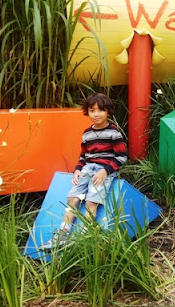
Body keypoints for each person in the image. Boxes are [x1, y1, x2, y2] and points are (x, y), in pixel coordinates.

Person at [41, 93, 127, 248]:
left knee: (91, 202)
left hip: (104, 169)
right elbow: (83, 156)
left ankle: (83, 236)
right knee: (72, 198)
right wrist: (78, 169)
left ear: (108, 112)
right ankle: (63, 234)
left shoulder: (113, 132)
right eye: (92, 110)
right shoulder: (87, 134)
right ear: (87, 112)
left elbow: (121, 157)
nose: (96, 114)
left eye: (101, 110)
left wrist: (106, 171)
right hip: (88, 168)